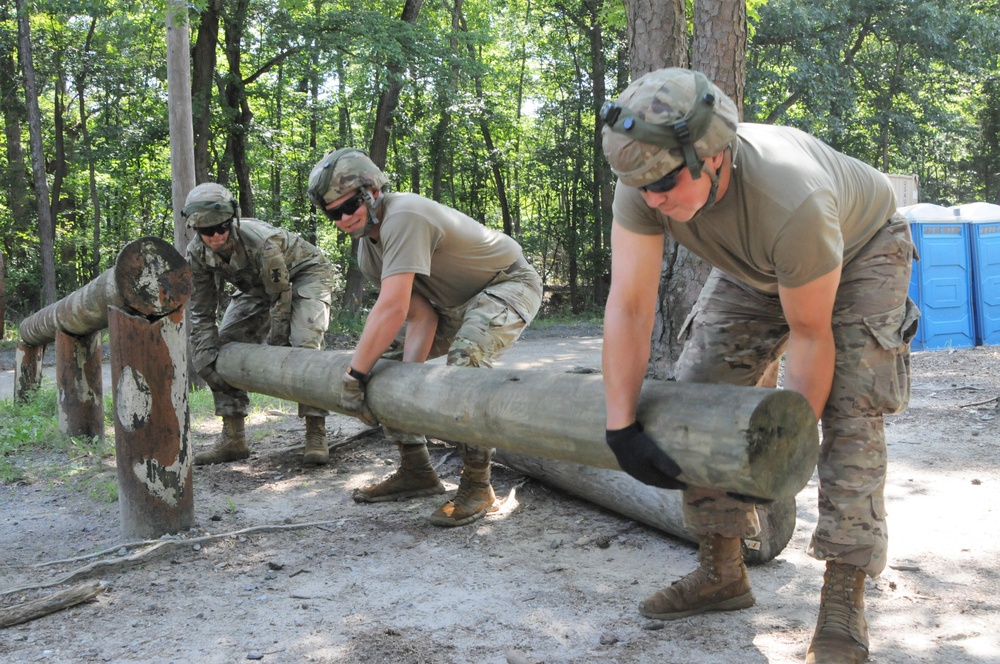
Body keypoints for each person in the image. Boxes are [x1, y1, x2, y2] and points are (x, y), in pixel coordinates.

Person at [599, 68, 919, 664]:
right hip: (760, 266)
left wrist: (787, 454)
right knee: (699, 400)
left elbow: (809, 334)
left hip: (859, 251)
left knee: (852, 414)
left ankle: (843, 600)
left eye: (663, 183)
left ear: (713, 157)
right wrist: (620, 427)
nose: (651, 199)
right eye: (638, 185)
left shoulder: (789, 197)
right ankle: (722, 569)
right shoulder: (645, 176)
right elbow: (631, 306)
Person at [306, 148, 543, 527]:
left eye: (350, 206)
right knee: (387, 365)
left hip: (508, 283)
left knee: (464, 365)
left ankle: (479, 486)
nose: (344, 218)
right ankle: (417, 469)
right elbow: (420, 316)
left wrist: (353, 377)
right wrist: (403, 385)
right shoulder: (369, 254)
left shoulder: (405, 215)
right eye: (333, 213)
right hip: (450, 307)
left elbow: (390, 309)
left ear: (371, 191)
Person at [184, 183, 337, 466]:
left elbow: (281, 296)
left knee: (304, 344)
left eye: (221, 227)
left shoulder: (261, 243)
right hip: (255, 287)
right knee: (223, 346)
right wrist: (203, 355)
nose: (216, 236)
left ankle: (316, 431)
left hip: (305, 275)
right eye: (207, 231)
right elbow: (201, 311)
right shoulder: (195, 255)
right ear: (195, 230)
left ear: (232, 221)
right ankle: (233, 437)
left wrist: (278, 346)